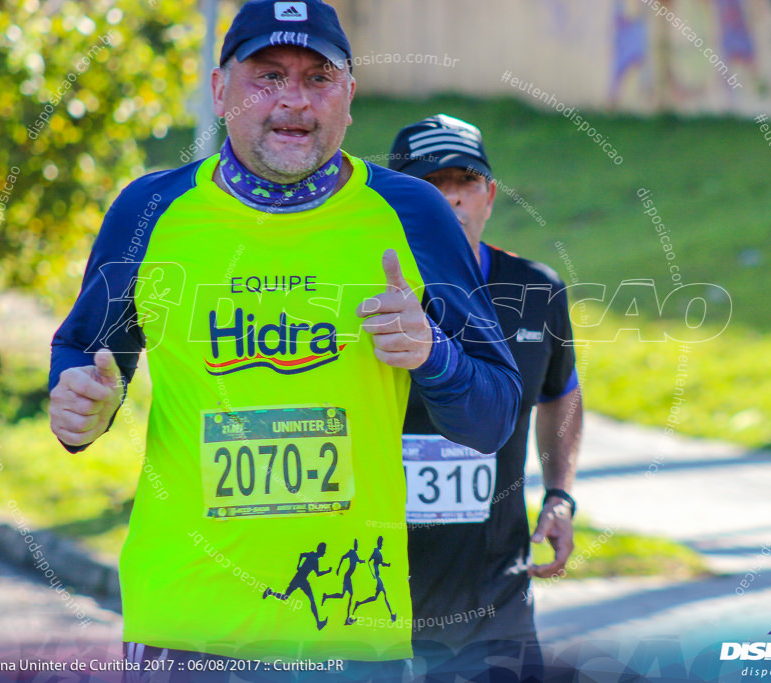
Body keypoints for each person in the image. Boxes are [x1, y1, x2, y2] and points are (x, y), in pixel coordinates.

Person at [47, 2, 522, 679]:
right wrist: (80, 406)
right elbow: (83, 357)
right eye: (267, 76)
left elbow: (496, 414)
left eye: (318, 77)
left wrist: (433, 355)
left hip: (351, 626)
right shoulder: (150, 211)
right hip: (185, 623)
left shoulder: (410, 213)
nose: (293, 101)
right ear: (220, 90)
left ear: (350, 97)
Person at [389, 114, 584, 681]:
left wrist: (560, 494)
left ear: (490, 195)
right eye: (431, 185)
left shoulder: (535, 291)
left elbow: (561, 395)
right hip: (369, 598)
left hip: (494, 603)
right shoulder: (355, 291)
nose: (452, 199)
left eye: (466, 182)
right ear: (399, 198)